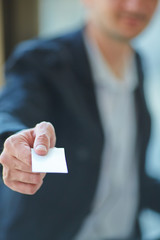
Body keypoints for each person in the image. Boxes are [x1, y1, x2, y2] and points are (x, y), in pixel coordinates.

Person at [0, 0, 159, 239]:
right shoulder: (42, 60)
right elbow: (8, 114)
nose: (135, 6)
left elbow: (124, 172)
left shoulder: (137, 63)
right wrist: (12, 143)